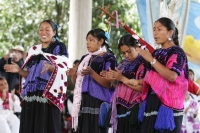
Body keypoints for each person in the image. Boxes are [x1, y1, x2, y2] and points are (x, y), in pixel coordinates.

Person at [4, 20, 69, 133]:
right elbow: (30, 75)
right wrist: (19, 70)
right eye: (41, 29)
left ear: (54, 32)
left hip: (48, 94)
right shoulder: (34, 50)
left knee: (45, 126)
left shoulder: (59, 47)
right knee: (30, 126)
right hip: (31, 94)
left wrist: (51, 67)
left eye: (47, 29)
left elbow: (64, 69)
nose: (43, 32)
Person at [126, 17, 189, 133]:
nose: (155, 33)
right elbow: (152, 76)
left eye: (159, 29)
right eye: (154, 30)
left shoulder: (177, 52)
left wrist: (151, 59)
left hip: (169, 106)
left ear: (170, 32)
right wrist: (138, 82)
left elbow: (172, 76)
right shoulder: (156, 53)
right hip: (152, 102)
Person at [67, 28, 117, 133]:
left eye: (91, 40)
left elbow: (109, 84)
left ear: (101, 41)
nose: (87, 43)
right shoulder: (85, 58)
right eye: (87, 40)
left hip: (99, 101)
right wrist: (74, 73)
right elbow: (77, 82)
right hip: (84, 100)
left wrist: (92, 72)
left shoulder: (109, 58)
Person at [100, 34, 149, 133]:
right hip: (120, 109)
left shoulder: (144, 62)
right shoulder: (123, 64)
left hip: (134, 110)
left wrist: (121, 78)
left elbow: (143, 88)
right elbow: (119, 87)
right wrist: (112, 79)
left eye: (129, 51)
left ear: (137, 46)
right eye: (123, 53)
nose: (126, 55)